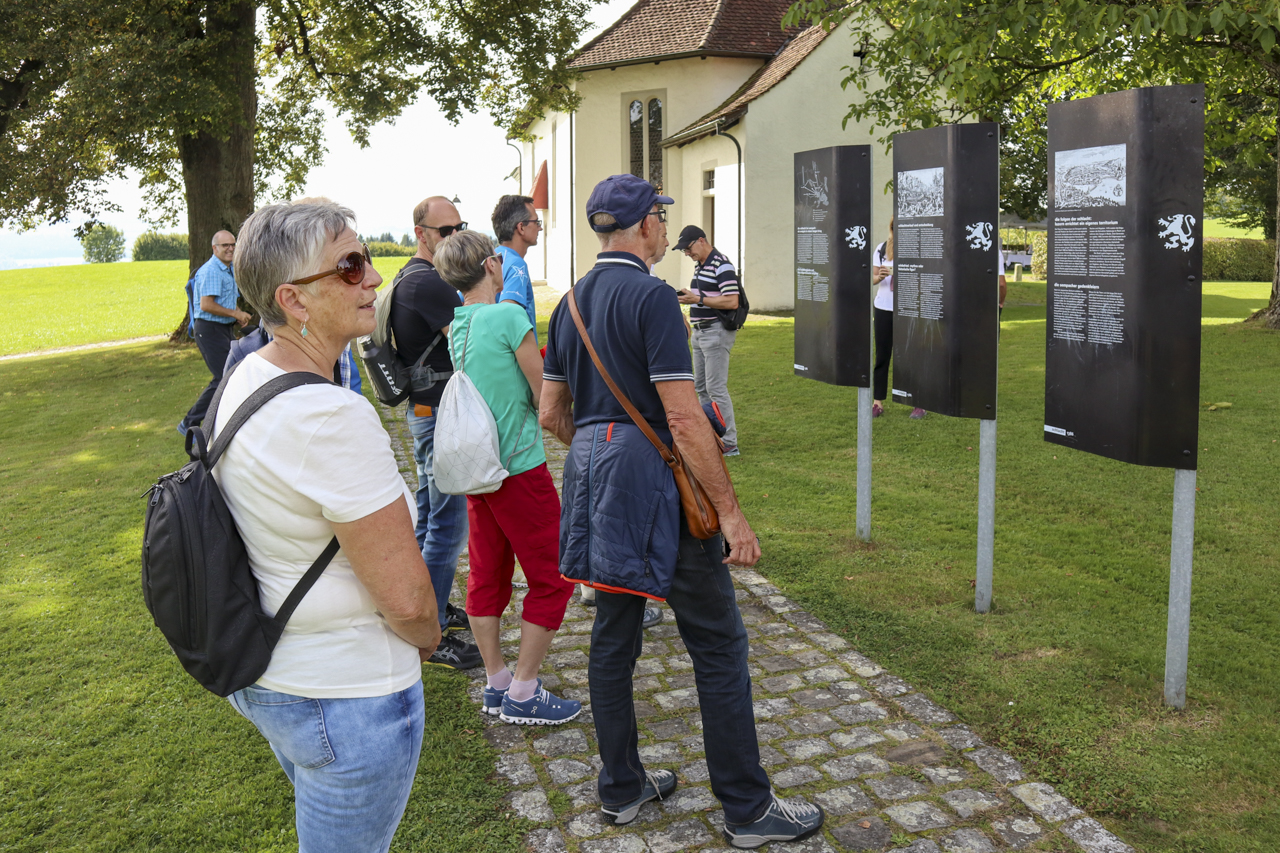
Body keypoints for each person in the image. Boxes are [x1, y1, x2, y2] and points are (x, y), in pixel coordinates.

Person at [539, 174, 825, 847]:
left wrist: (605, 451)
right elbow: (685, 418)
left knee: (613, 637)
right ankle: (747, 808)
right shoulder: (653, 297)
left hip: (593, 481)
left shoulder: (569, 302)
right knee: (718, 642)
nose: (667, 228)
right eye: (661, 218)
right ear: (643, 225)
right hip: (659, 486)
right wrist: (732, 515)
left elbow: (552, 412)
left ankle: (621, 786)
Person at [216, 200, 440, 853]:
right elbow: (407, 601)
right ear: (294, 300)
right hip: (346, 695)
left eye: (365, 258)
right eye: (349, 266)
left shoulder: (251, 372)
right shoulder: (329, 416)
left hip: (274, 674)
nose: (373, 276)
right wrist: (426, 638)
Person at [432, 230, 581, 725]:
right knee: (553, 576)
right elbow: (544, 395)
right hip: (518, 468)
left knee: (487, 574)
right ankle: (523, 689)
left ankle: (496, 681)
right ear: (491, 265)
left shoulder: (458, 323)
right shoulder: (509, 316)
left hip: (479, 471)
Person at [389, 196, 483, 670]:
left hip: (428, 411)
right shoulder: (429, 282)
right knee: (447, 526)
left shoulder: (410, 275)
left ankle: (433, 605)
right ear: (421, 234)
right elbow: (472, 341)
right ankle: (433, 633)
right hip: (439, 415)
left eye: (460, 227)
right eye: (445, 231)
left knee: (430, 519)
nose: (455, 236)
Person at [673, 225, 742, 455]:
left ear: (701, 241)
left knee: (715, 388)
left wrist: (698, 299)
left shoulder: (721, 264)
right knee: (701, 387)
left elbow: (732, 301)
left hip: (716, 332)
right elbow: (704, 296)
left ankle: (729, 442)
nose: (687, 253)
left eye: (688, 248)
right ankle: (712, 435)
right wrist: (689, 298)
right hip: (700, 332)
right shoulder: (701, 265)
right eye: (684, 250)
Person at [178, 230, 252, 435]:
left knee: (233, 374)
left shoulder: (229, 269)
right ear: (214, 248)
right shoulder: (211, 271)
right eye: (225, 245)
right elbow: (207, 305)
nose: (230, 248)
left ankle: (227, 421)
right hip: (209, 330)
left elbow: (226, 300)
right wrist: (235, 313)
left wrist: (237, 314)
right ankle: (189, 423)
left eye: (233, 244)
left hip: (223, 328)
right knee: (223, 377)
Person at [871, 220, 925, 419]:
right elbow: (872, 278)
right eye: (895, 227)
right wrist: (880, 276)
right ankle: (877, 403)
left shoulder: (917, 249)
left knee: (911, 357)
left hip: (908, 309)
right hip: (883, 308)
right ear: (892, 228)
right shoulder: (881, 249)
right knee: (882, 356)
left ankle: (918, 403)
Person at [491, 194, 542, 340]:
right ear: (521, 228)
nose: (540, 228)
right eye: (536, 222)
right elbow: (509, 318)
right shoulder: (516, 264)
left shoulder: (490, 259)